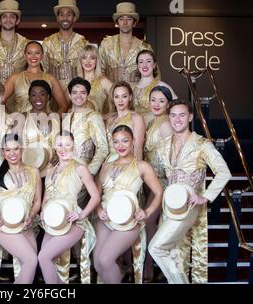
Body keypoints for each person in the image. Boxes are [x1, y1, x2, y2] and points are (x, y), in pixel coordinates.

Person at [149, 99, 231, 284]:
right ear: (168, 118)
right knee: (176, 255)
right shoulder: (163, 145)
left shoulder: (202, 144)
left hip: (190, 206)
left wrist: (205, 197)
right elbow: (156, 174)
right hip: (170, 206)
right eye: (173, 115)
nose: (177, 119)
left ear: (190, 117)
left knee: (156, 247)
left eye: (182, 115)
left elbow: (224, 172)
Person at [94, 125, 162, 283]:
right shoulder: (106, 167)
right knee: (98, 264)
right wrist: (98, 210)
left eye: (125, 141)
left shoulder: (141, 166)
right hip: (105, 219)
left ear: (133, 141)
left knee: (105, 260)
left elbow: (159, 192)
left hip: (129, 221)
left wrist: (147, 212)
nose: (120, 145)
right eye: (116, 142)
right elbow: (96, 195)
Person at [38, 131, 100, 284]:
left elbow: (96, 196)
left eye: (67, 145)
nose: (63, 149)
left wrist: (82, 214)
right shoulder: (51, 169)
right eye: (59, 145)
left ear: (73, 146)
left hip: (72, 222)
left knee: (43, 257)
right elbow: (46, 196)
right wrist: (42, 212)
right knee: (47, 260)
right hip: (52, 222)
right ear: (54, 147)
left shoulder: (80, 168)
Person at [0, 133, 42, 284]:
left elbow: (37, 201)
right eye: (7, 150)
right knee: (31, 260)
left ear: (21, 150)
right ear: (3, 152)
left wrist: (32, 216)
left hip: (26, 225)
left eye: (16, 149)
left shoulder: (33, 171)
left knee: (27, 266)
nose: (12, 153)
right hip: (4, 226)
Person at [142, 85, 174, 282]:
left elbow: (170, 157)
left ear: (168, 104)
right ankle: (152, 265)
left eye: (162, 101)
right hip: (148, 178)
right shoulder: (150, 119)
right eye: (153, 100)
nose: (156, 104)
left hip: (160, 180)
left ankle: (150, 267)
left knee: (149, 222)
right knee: (151, 223)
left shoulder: (166, 124)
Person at [62, 77, 109, 184]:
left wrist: (90, 171)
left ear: (88, 95)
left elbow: (103, 148)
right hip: (65, 170)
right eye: (74, 92)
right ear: (69, 95)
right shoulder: (66, 117)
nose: (78, 96)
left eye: (82, 92)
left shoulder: (94, 116)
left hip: (83, 171)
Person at [3, 41, 69, 114]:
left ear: (42, 56)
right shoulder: (15, 78)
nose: (33, 56)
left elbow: (64, 106)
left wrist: (53, 121)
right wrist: (10, 119)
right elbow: (0, 101)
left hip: (44, 123)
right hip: (21, 123)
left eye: (37, 53)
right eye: (29, 53)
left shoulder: (50, 78)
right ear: (25, 56)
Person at [99, 2, 155, 83]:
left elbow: (155, 75)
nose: (125, 23)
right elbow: (98, 72)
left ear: (134, 22)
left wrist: (137, 75)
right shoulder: (106, 44)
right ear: (117, 22)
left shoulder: (144, 47)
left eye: (129, 19)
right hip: (111, 93)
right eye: (121, 19)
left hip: (137, 94)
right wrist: (110, 75)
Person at [42, 0, 87, 96]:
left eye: (69, 15)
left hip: (77, 94)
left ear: (74, 18)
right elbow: (44, 71)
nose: (65, 18)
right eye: (61, 15)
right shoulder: (48, 43)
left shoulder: (83, 43)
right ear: (57, 18)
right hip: (53, 94)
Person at [21, 80, 60, 177]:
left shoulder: (55, 119)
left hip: (53, 172)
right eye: (33, 95)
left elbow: (62, 143)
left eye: (42, 94)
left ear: (48, 97)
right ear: (29, 98)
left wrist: (59, 155)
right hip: (28, 173)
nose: (38, 98)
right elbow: (13, 145)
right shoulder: (23, 117)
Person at [105, 81, 145, 162]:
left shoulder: (136, 118)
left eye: (124, 96)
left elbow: (138, 149)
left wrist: (135, 171)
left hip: (127, 162)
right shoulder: (110, 119)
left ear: (130, 97)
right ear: (112, 98)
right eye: (117, 97)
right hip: (108, 163)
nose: (120, 100)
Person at [133, 50, 176, 123]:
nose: (144, 65)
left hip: (155, 128)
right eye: (141, 62)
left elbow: (177, 106)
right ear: (137, 66)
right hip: (136, 128)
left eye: (148, 61)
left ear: (154, 65)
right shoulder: (132, 87)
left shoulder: (161, 85)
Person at [76, 44, 113, 114]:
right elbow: (65, 105)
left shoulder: (103, 81)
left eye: (92, 58)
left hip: (98, 122)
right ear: (80, 60)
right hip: (79, 123)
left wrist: (107, 116)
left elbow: (119, 98)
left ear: (97, 61)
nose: (88, 61)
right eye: (84, 57)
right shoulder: (75, 82)